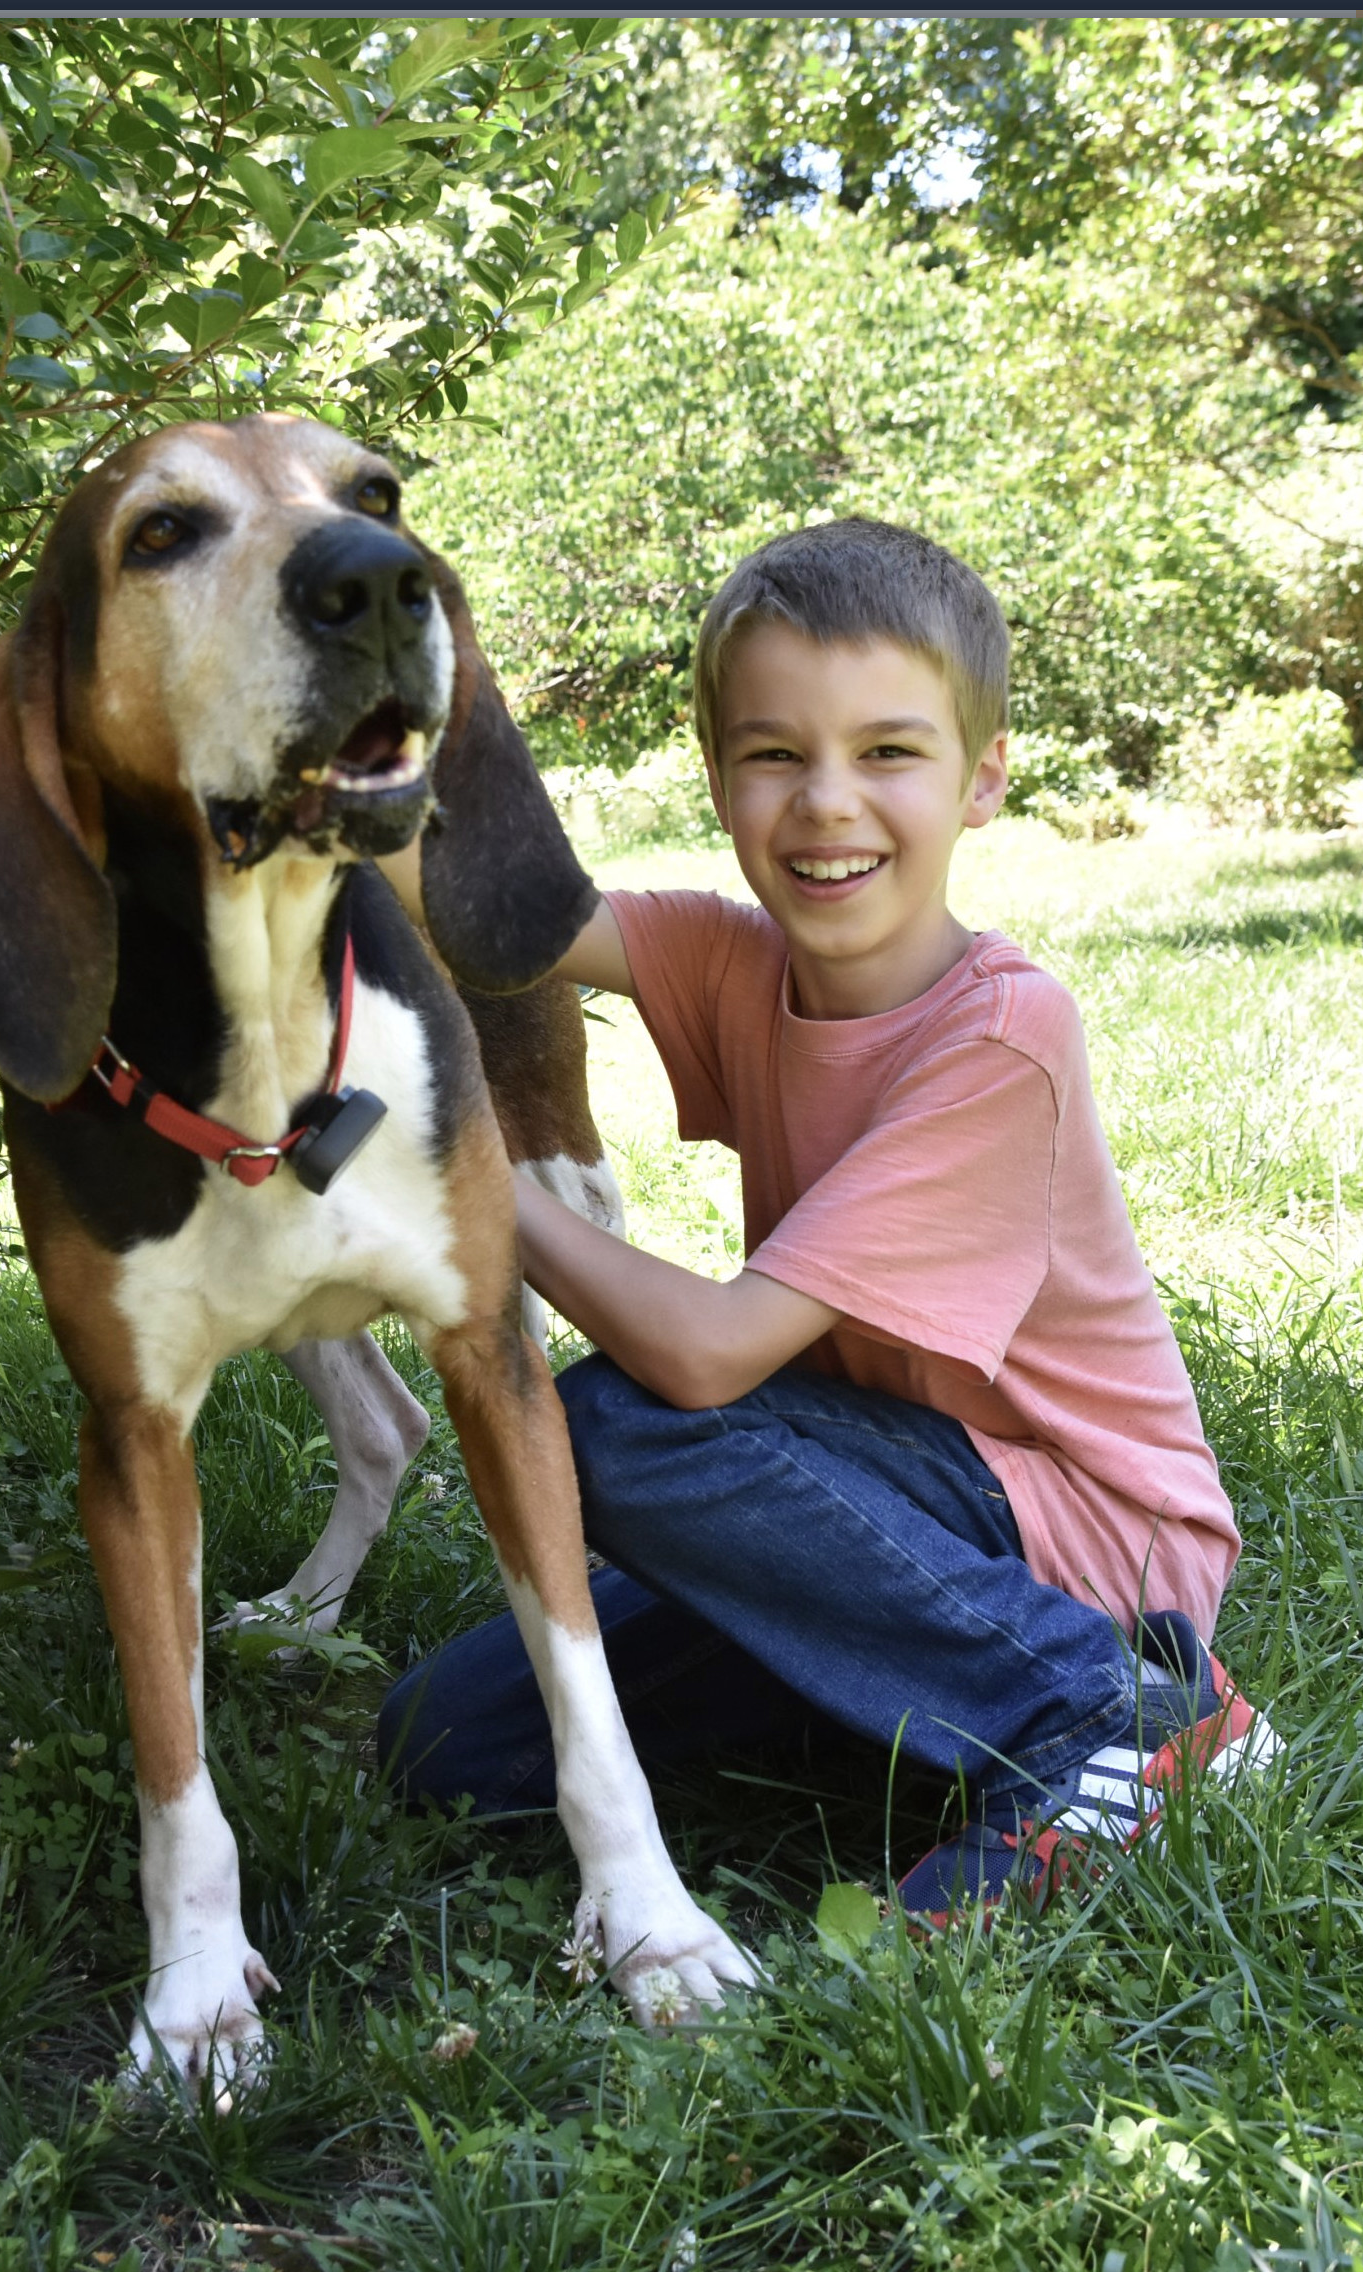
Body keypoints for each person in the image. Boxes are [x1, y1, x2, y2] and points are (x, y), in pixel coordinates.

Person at [380, 518, 1276, 1926]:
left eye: (887, 753)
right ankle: (898, 1704)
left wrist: (464, 1181)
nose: (826, 804)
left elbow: (706, 1362)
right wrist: (288, 802)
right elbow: (492, 918)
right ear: (721, 779)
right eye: (774, 754)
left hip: (1087, 1535)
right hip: (872, 1509)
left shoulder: (1002, 1035)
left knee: (618, 1423)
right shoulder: (727, 958)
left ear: (981, 780)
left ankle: (1114, 1719)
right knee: (444, 1741)